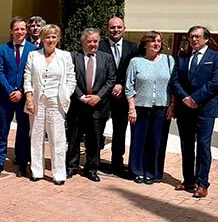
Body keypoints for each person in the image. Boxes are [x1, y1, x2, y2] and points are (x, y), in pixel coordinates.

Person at [170, 26, 218, 198]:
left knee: (203, 146)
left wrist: (195, 99)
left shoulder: (217, 57)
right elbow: (174, 81)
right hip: (184, 109)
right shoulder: (182, 58)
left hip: (205, 109)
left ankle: (202, 184)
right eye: (191, 37)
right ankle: (188, 180)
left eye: (197, 37)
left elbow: (216, 83)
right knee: (186, 146)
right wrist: (185, 98)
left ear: (206, 39)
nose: (194, 40)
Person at [24, 24, 75, 185]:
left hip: (56, 101)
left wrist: (65, 95)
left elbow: (71, 79)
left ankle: (59, 173)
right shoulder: (33, 55)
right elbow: (27, 77)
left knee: (57, 138)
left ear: (58, 39)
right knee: (36, 136)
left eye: (53, 37)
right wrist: (29, 98)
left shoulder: (65, 56)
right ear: (42, 39)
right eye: (47, 37)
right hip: (37, 101)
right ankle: (37, 170)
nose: (50, 40)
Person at [66, 28, 116, 182]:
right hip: (77, 106)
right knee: (74, 138)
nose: (93, 44)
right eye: (90, 41)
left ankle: (92, 168)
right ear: (83, 42)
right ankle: (71, 166)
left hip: (98, 107)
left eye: (96, 41)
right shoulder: (73, 57)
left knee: (94, 139)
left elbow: (111, 80)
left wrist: (98, 97)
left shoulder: (106, 58)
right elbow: (69, 78)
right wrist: (81, 97)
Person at [126, 31, 175, 185]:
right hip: (140, 107)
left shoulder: (168, 60)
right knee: (139, 141)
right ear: (145, 44)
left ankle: (153, 172)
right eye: (152, 41)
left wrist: (172, 105)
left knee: (157, 141)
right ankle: (138, 171)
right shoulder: (136, 62)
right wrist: (131, 109)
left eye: (159, 41)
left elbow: (174, 84)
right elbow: (129, 86)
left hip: (162, 108)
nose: (156, 44)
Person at [0, 17, 37, 177]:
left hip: (25, 97)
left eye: (22, 29)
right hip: (6, 96)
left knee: (23, 131)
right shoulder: (3, 49)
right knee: (3, 129)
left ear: (26, 31)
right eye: (16, 29)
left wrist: (21, 91)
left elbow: (33, 74)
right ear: (11, 30)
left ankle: (22, 163)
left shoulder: (33, 50)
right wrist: (11, 90)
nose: (20, 32)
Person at [98, 16, 137, 176]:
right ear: (107, 29)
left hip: (122, 97)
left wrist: (121, 83)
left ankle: (117, 164)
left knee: (120, 131)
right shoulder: (99, 45)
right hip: (104, 95)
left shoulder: (133, 47)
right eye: (112, 27)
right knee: (97, 129)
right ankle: (94, 162)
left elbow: (133, 70)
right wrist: (111, 84)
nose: (116, 30)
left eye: (119, 27)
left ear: (124, 28)